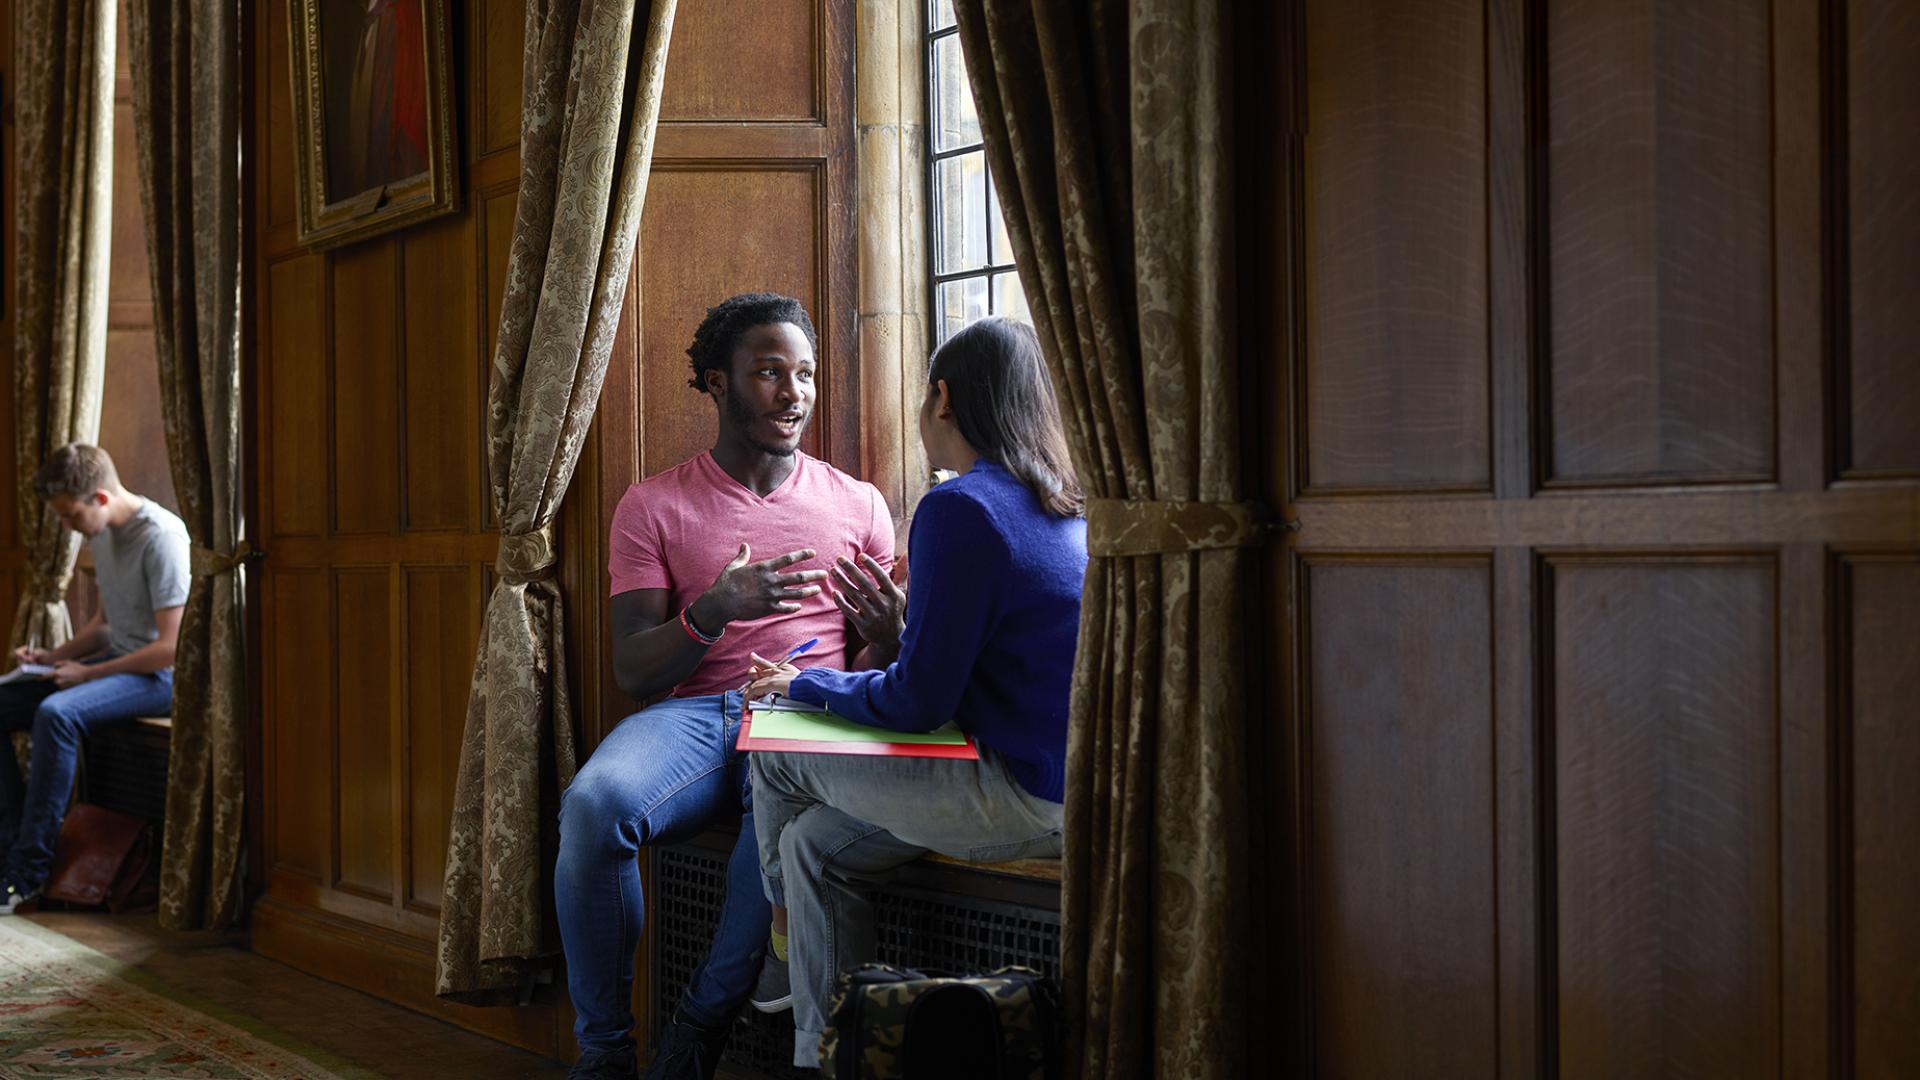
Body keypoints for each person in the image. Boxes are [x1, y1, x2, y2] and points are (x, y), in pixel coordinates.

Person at [557, 293, 900, 1080]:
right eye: (770, 372)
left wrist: (891, 627)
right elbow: (633, 669)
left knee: (776, 836)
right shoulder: (653, 505)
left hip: (806, 714)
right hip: (693, 719)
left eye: (805, 374)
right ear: (718, 381)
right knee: (592, 806)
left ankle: (695, 1033)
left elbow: (890, 661)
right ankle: (605, 1051)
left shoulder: (859, 504)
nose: (794, 393)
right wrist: (712, 611)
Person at [743, 317, 1086, 1070]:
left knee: (771, 743)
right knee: (812, 845)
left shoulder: (960, 509)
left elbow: (916, 703)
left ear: (943, 399)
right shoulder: (1064, 500)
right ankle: (826, 1057)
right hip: (1077, 786)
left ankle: (773, 942)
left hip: (1023, 792)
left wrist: (804, 685)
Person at [0, 444, 190, 914]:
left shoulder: (161, 536)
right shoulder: (102, 534)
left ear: (100, 498)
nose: (67, 527)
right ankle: (8, 849)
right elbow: (106, 625)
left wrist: (89, 673)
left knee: (56, 714)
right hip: (118, 664)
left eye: (70, 515)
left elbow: (171, 647)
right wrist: (55, 656)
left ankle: (29, 873)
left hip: (160, 679)